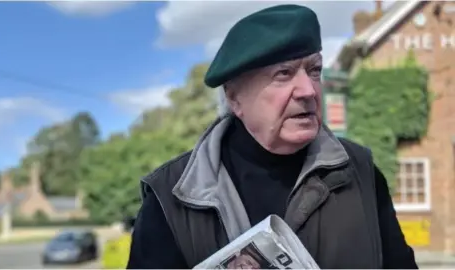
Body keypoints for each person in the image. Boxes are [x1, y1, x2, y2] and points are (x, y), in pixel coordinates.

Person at [127, 4, 418, 269]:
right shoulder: (171, 197)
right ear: (234, 97)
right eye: (283, 73)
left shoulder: (361, 172)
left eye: (314, 70)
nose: (308, 90)